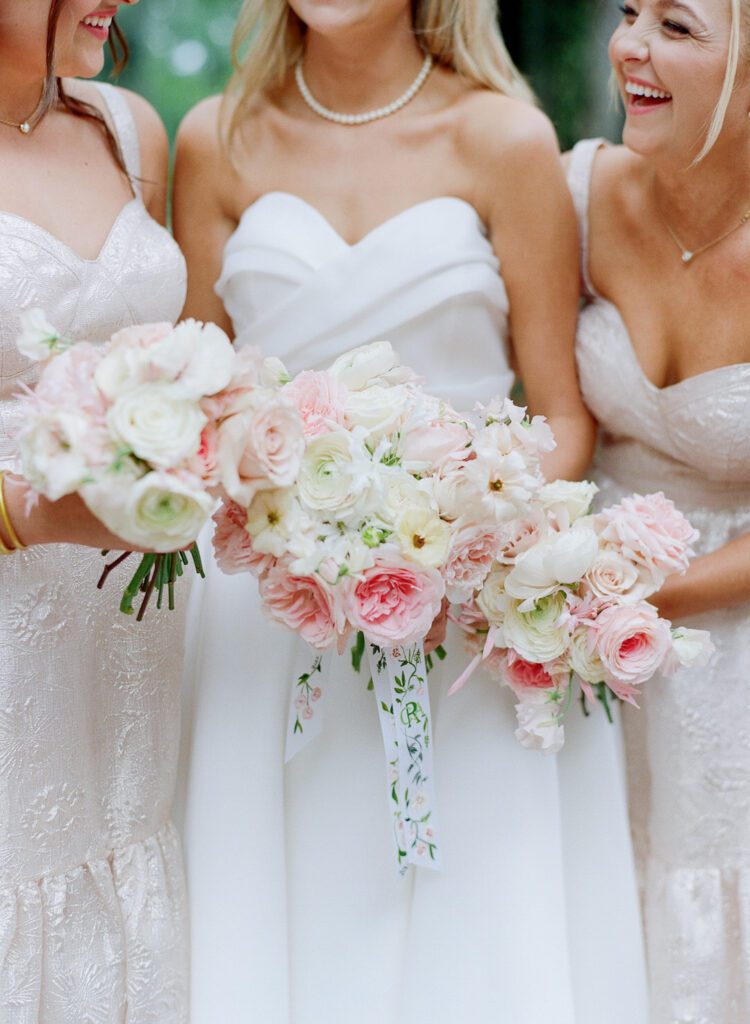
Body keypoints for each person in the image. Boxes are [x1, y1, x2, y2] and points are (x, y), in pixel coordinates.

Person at [174, 1, 647, 1021]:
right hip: (264, 615)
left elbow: (561, 414)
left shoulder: (504, 137)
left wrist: (464, 537)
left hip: (461, 619)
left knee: (471, 930)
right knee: (281, 911)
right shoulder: (216, 138)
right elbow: (196, 402)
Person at [0, 2, 189, 1020]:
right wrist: (33, 516)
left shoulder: (128, 127)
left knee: (125, 868)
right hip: (9, 623)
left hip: (133, 630)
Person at [566, 0, 750, 1020]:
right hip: (578, 655)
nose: (630, 44)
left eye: (678, 27)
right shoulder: (579, 189)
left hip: (727, 649)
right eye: (630, 13)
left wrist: (639, 597)